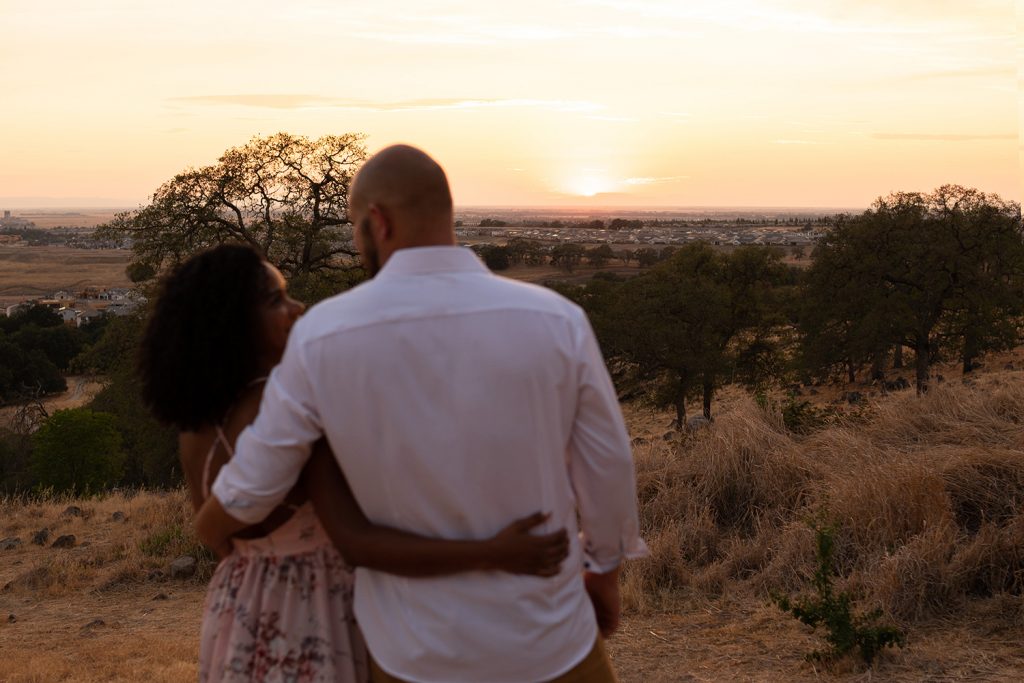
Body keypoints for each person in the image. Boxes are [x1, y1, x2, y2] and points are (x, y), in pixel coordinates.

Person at [196, 145, 647, 683]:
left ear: (377, 222)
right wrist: (603, 571)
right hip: (550, 638)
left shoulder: (324, 335)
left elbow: (255, 483)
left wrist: (208, 528)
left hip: (412, 650)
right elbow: (608, 465)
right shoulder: (556, 319)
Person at [138, 243, 570, 683]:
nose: (297, 307)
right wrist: (495, 553)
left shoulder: (196, 424)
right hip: (313, 608)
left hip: (241, 601)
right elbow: (355, 541)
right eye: (276, 300)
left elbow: (217, 536)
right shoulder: (287, 410)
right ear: (232, 325)